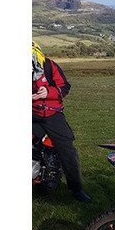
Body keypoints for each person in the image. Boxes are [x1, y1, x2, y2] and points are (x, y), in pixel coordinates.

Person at [32, 41, 92, 202]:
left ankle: (76, 189)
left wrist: (48, 92)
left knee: (67, 149)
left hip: (52, 114)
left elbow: (64, 86)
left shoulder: (49, 66)